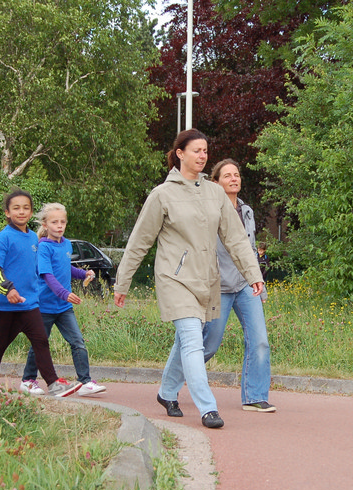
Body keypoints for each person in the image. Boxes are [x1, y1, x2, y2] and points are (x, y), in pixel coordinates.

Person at [113, 129, 264, 429]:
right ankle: (208, 408)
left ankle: (167, 392)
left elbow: (236, 239)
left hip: (206, 279)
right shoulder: (162, 195)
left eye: (205, 150)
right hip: (175, 279)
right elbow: (139, 242)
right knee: (193, 339)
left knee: (190, 340)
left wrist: (253, 274)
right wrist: (122, 283)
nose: (202, 156)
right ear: (180, 153)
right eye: (196, 150)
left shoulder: (215, 193)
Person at [0, 188, 82, 398]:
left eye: (26, 208)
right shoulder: (3, 238)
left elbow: (38, 269)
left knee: (41, 341)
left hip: (30, 304)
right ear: (7, 212)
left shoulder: (33, 239)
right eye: (16, 208)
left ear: (31, 212)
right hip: (5, 306)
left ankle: (53, 384)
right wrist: (8, 289)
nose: (21, 212)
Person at [202, 159, 275, 412]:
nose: (234, 179)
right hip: (219, 286)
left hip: (245, 285)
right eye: (227, 176)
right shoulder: (209, 211)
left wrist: (259, 283)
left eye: (236, 175)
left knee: (260, 341)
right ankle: (172, 384)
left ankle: (254, 396)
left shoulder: (246, 211)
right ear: (216, 182)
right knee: (209, 345)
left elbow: (250, 249)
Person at [19, 203, 107, 397]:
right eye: (54, 222)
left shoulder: (66, 244)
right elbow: (47, 275)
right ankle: (28, 380)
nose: (59, 226)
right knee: (40, 343)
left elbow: (66, 268)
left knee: (78, 342)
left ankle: (85, 382)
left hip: (63, 307)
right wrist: (64, 293)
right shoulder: (43, 247)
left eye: (63, 222)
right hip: (44, 307)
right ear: (45, 224)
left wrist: (84, 273)